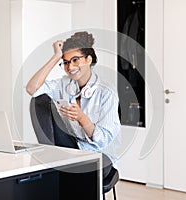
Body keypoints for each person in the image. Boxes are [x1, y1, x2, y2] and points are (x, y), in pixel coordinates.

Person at [26, 31, 120, 178]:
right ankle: (50, 161)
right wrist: (56, 56)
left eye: (75, 60)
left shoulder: (106, 92)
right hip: (73, 150)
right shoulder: (64, 84)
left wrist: (82, 119)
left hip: (100, 155)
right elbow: (32, 89)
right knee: (40, 99)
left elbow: (102, 140)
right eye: (66, 62)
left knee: (74, 174)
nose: (70, 67)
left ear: (89, 59)